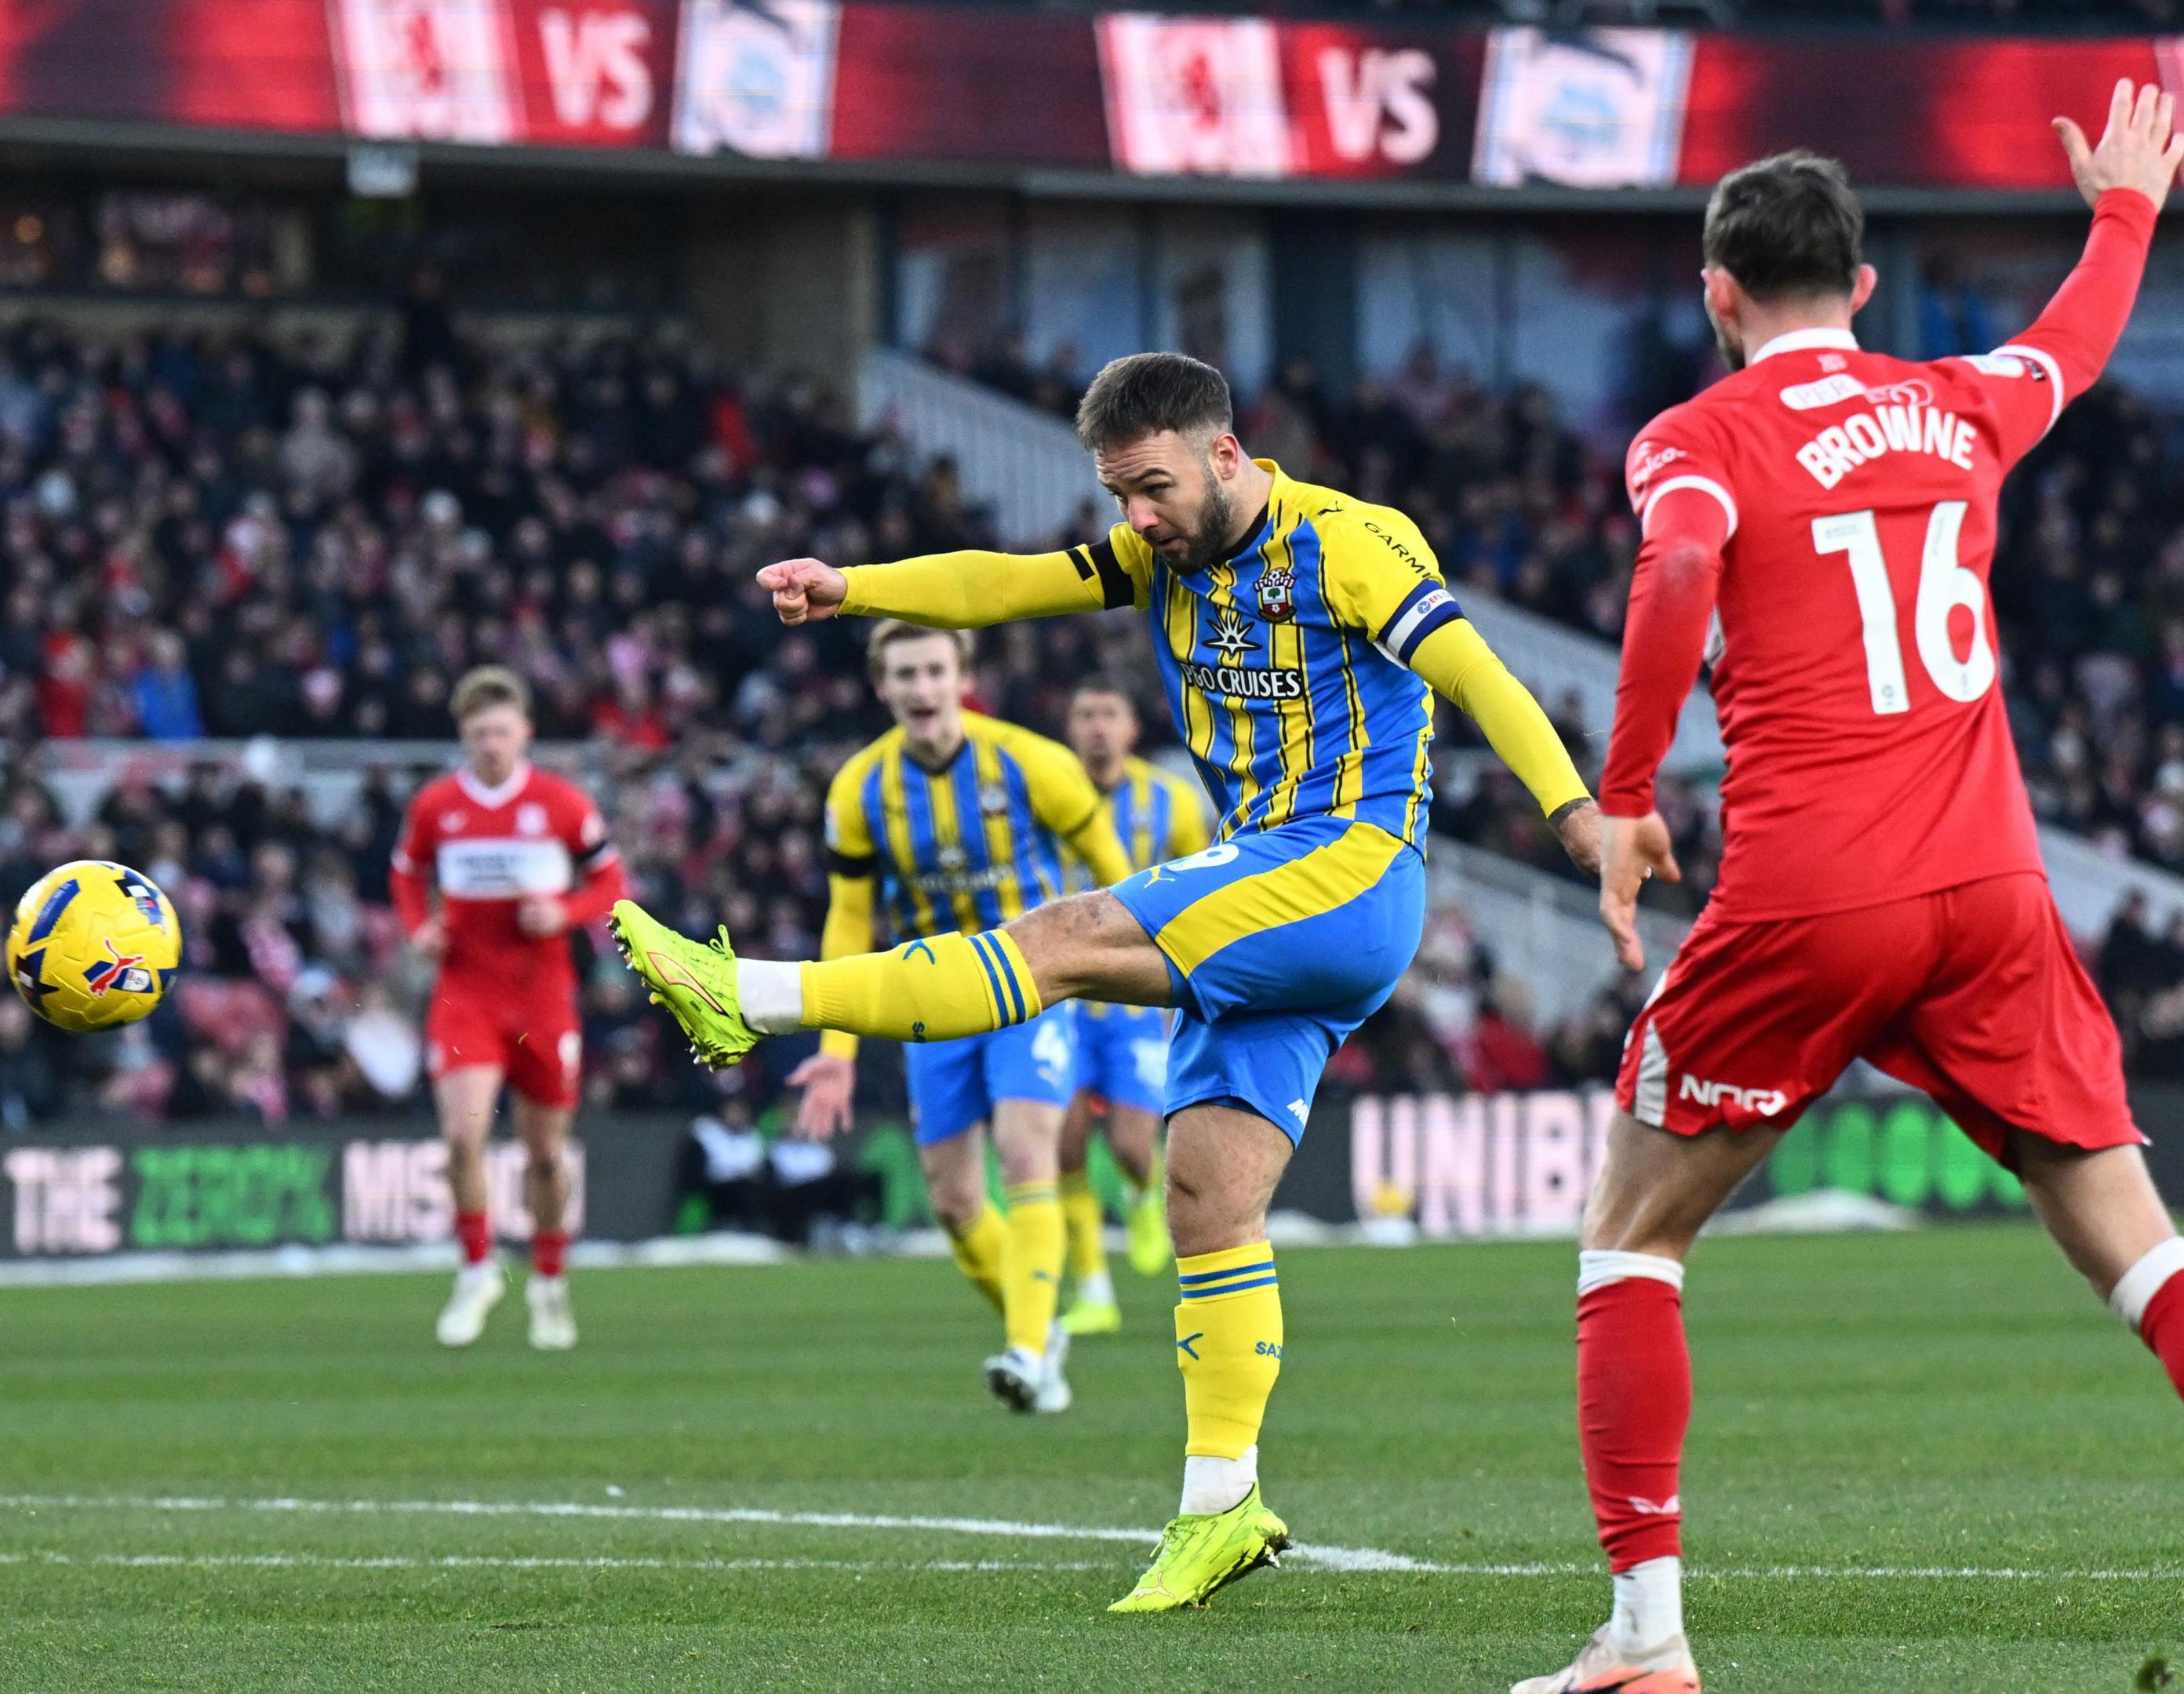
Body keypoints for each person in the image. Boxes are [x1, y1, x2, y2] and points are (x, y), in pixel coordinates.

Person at [610, 349, 1600, 1612]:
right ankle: (1220, 1504)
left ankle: (750, 997)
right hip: (1267, 892)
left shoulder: (1350, 543)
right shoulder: (1152, 556)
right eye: (1118, 495)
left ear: (1225, 455)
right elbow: (1003, 587)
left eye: (1152, 488)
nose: (1136, 519)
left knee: (1067, 935)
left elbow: (1476, 674)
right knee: (1205, 1200)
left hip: (1344, 867)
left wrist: (1573, 812)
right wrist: (851, 587)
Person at [1519, 86, 2184, 1694]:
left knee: (1631, 1238)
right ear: (1868, 287)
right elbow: (2073, 350)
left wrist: (1620, 795)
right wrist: (2125, 215)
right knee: (2139, 1251)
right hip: (1993, 888)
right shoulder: (1961, 404)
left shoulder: (1698, 437)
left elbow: (1678, 566)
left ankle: (1649, 1641)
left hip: (1815, 894)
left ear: (1717, 292)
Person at [782, 622, 1132, 1412]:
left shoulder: (1033, 762)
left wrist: (1133, 966)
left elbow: (1114, 867)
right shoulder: (859, 790)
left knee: (1025, 1150)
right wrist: (836, 1045)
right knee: (952, 1201)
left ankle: (1027, 1347)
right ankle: (1040, 1331)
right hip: (929, 1001)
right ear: (883, 687)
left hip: (1030, 983)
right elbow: (847, 923)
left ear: (961, 676)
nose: (921, 688)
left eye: (935, 670)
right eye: (905, 674)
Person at [390, 666, 625, 1350]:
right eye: (478, 732)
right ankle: (476, 1268)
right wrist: (418, 928)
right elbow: (406, 874)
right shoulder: (438, 807)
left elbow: (610, 881)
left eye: (501, 730)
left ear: (524, 732)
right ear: (464, 737)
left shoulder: (559, 804)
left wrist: (566, 911)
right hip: (467, 994)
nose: (490, 743)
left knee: (545, 1155)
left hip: (544, 999)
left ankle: (550, 1282)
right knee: (463, 1137)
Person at [1048, 677, 1213, 1336]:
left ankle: (1145, 1194)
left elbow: (1203, 882)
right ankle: (1092, 1290)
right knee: (1062, 1145)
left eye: (1108, 712)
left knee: (1130, 1145)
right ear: (1070, 727)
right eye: (1084, 712)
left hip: (1136, 1001)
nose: (1095, 726)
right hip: (1059, 998)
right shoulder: (1047, 791)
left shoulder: (1167, 800)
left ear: (1130, 728)